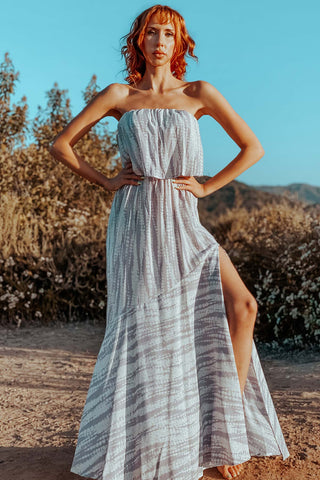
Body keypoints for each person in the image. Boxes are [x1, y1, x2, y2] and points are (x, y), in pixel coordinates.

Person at [49, 4, 290, 480]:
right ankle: (150, 445)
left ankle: (224, 435)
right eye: (153, 32)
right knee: (146, 331)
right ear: (139, 40)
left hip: (183, 219)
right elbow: (62, 144)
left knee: (243, 307)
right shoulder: (119, 94)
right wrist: (108, 181)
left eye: (170, 34)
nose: (161, 40)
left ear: (180, 45)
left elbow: (253, 147)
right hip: (136, 222)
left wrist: (206, 186)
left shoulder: (199, 94)